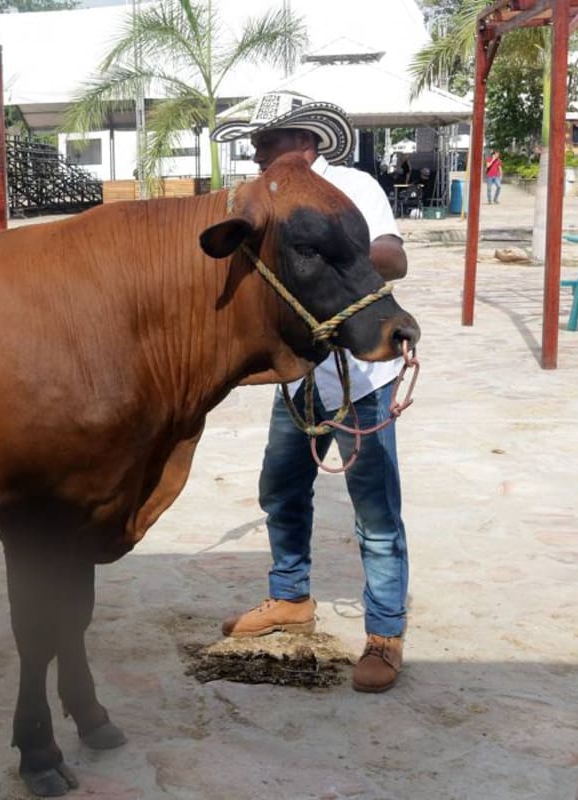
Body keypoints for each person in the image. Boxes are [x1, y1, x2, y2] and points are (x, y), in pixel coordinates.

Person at [211, 92, 411, 693]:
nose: (256, 155)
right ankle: (290, 596)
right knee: (281, 487)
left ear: (305, 142)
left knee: (375, 514)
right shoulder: (261, 196)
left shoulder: (353, 187)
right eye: (254, 146)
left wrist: (324, 247)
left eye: (265, 144)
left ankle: (384, 634)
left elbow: (393, 259)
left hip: (361, 374)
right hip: (299, 370)